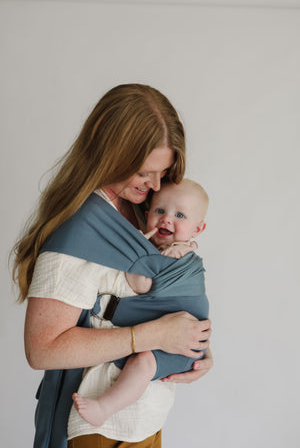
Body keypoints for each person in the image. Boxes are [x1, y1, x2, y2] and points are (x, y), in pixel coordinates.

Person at [12, 84, 213, 448]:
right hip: (99, 431)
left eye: (162, 172)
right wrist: (157, 336)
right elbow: (42, 350)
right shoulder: (78, 233)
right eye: (143, 172)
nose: (155, 186)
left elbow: (156, 301)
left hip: (145, 419)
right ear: (109, 155)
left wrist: (193, 346)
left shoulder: (141, 212)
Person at [72, 179, 209, 428]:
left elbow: (140, 285)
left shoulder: (175, 255)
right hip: (184, 339)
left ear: (198, 229)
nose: (167, 219)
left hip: (181, 347)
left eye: (179, 215)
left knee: (143, 362)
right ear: (147, 215)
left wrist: (138, 251)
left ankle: (104, 407)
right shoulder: (177, 251)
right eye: (159, 211)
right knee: (143, 361)